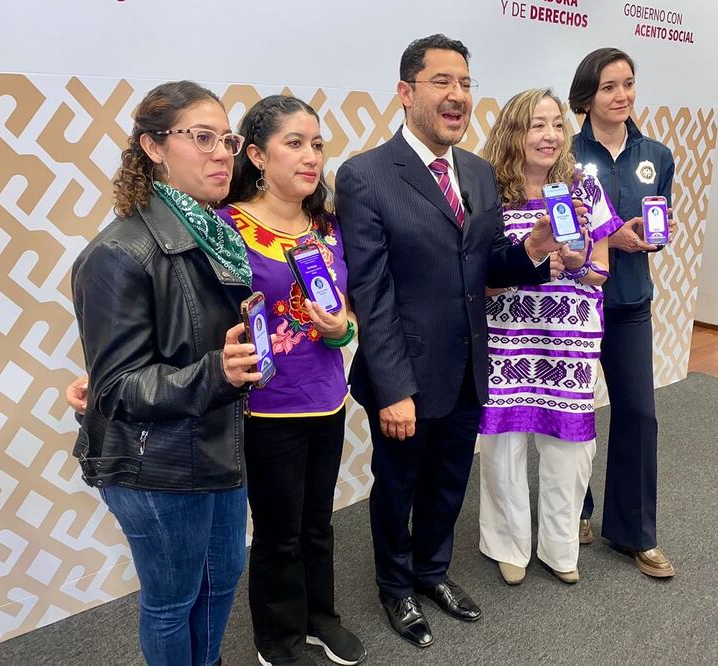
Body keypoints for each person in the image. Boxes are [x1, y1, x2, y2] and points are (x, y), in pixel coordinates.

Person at [335, 35, 568, 649]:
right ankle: (395, 587)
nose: (458, 95)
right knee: (398, 485)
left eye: (465, 83)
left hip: (471, 365)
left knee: (447, 484)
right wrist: (392, 389)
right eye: (442, 82)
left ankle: (432, 572)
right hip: (404, 373)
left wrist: (535, 249)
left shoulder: (480, 173)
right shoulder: (364, 176)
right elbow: (373, 291)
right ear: (407, 93)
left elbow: (487, 265)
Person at [71, 81, 258, 665]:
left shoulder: (217, 238)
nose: (222, 153)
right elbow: (116, 389)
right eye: (201, 138)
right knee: (172, 600)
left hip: (220, 441)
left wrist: (247, 360)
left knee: (223, 582)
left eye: (226, 139)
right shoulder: (118, 253)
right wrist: (217, 373)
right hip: (155, 463)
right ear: (153, 147)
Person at [215, 95, 366, 666]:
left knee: (318, 524)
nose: (311, 157)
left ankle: (321, 618)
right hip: (266, 406)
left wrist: (340, 329)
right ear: (255, 155)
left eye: (318, 144)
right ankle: (277, 638)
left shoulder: (327, 226)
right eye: (295, 143)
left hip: (328, 398)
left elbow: (345, 319)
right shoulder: (228, 228)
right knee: (279, 532)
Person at [477, 88, 622, 586]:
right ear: (514, 130)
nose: (550, 135)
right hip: (507, 337)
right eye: (537, 124)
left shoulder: (585, 187)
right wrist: (532, 256)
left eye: (557, 125)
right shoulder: (486, 190)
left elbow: (603, 270)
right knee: (504, 447)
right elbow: (481, 272)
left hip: (571, 340)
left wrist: (582, 266)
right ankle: (507, 543)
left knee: (570, 449)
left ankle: (560, 547)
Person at [569, 47, 677, 577]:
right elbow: (556, 226)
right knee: (574, 414)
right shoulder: (565, 155)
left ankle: (636, 532)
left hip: (631, 305)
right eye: (610, 86)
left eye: (628, 84)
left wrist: (649, 239)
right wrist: (603, 237)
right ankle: (576, 512)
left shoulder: (656, 152)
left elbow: (660, 225)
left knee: (638, 414)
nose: (622, 96)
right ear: (587, 95)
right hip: (574, 304)